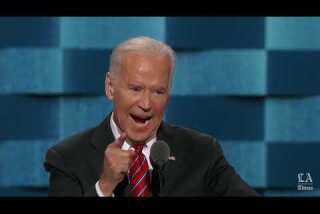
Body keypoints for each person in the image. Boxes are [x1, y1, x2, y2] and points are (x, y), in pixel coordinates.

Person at [44, 36, 259, 197]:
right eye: (136, 89)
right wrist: (105, 187)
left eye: (158, 92)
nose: (146, 104)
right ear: (110, 87)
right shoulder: (67, 159)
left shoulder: (201, 152)